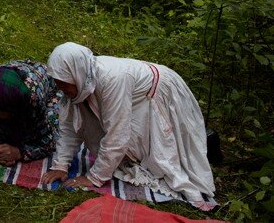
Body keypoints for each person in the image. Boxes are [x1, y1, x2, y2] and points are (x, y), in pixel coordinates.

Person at [41, 42, 215, 202]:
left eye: (64, 83)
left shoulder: (111, 80)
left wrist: (94, 177)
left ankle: (208, 143)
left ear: (77, 74)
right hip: (133, 89)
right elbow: (70, 127)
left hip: (159, 89)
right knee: (120, 137)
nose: (61, 88)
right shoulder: (81, 81)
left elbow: (118, 134)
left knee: (164, 156)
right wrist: (61, 165)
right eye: (57, 82)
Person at [0, 59, 62, 166]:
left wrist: (19, 152)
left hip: (50, 91)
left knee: (53, 129)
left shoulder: (34, 102)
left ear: (13, 111)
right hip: (18, 77)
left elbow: (48, 142)